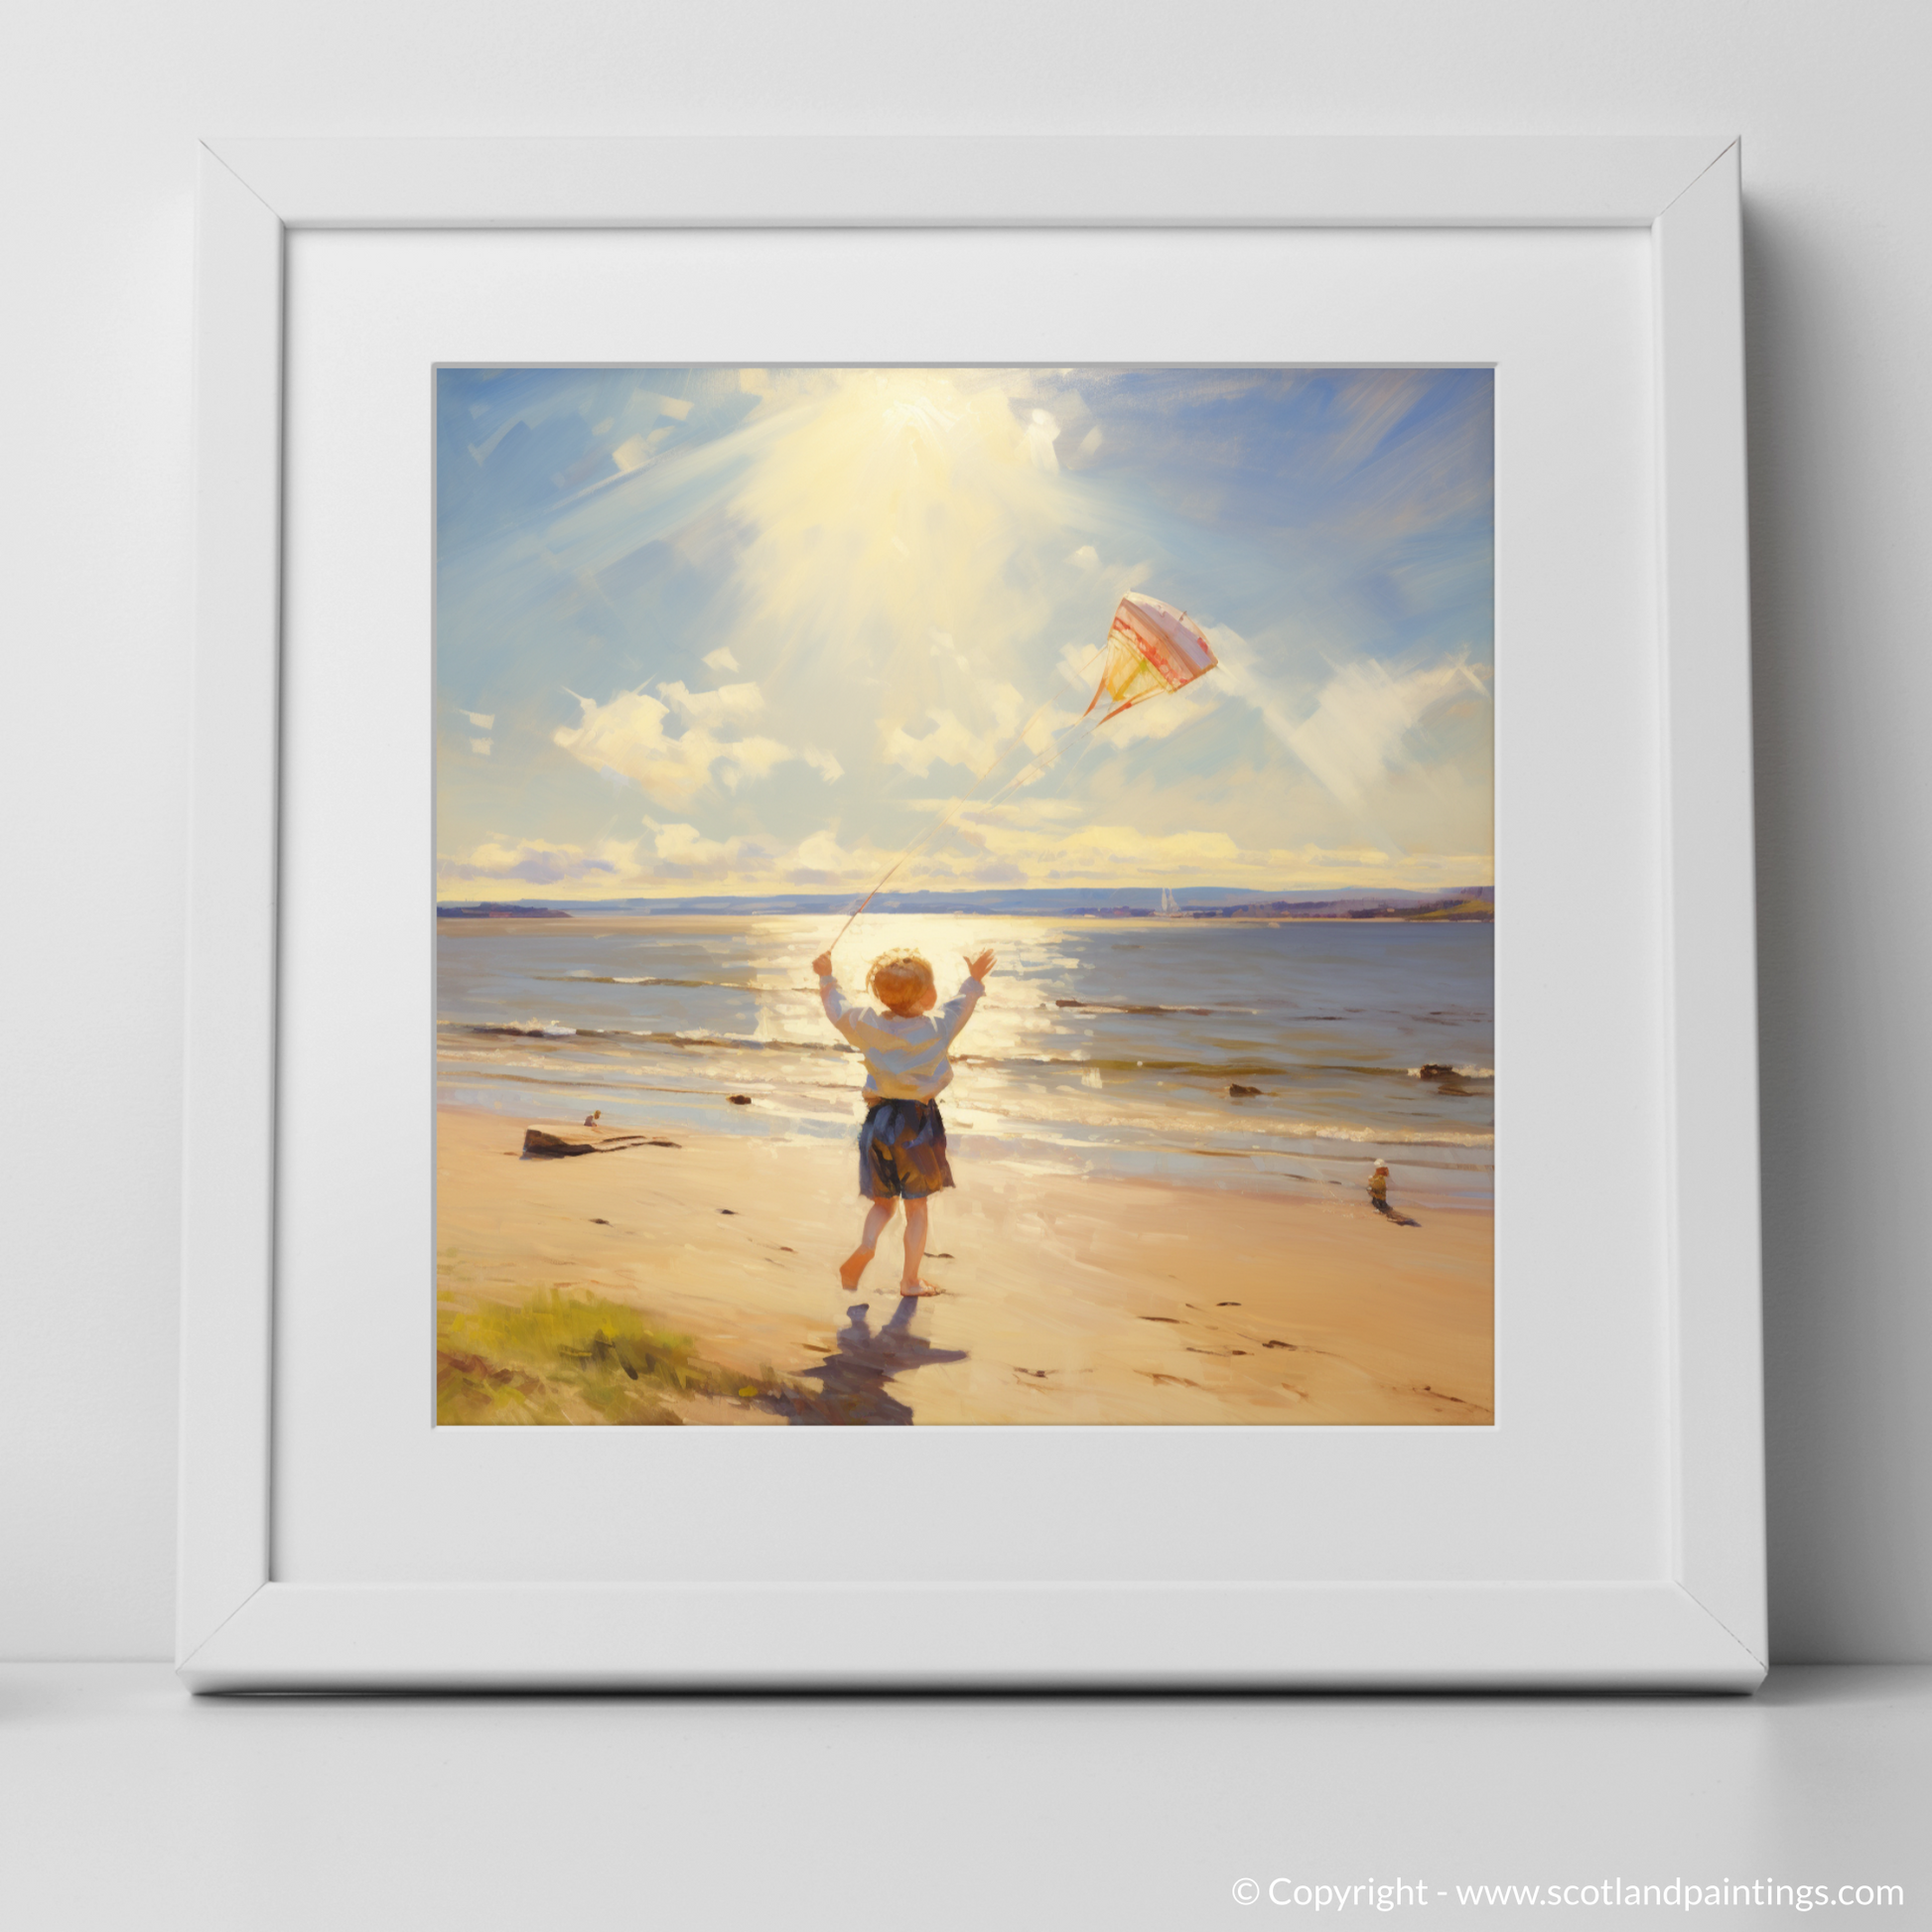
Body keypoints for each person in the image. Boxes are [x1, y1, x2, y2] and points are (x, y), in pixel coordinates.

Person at [810, 944, 996, 1297]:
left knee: (883, 1205)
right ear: (927, 997)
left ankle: (866, 1246)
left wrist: (826, 977)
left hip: (878, 1121)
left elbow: (837, 1011)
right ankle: (909, 1281)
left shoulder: (866, 1024)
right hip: (917, 1124)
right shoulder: (938, 1028)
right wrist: (974, 980)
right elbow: (962, 1006)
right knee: (917, 1209)